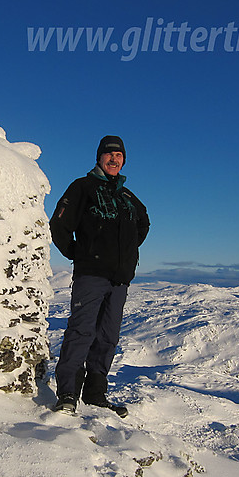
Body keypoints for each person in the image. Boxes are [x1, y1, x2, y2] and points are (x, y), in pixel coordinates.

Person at [49, 135, 150, 417]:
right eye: (109, 155)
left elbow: (144, 222)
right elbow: (59, 224)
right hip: (91, 274)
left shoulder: (128, 198)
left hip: (119, 279)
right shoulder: (82, 187)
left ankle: (95, 394)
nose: (114, 159)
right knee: (82, 331)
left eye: (119, 155)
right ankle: (67, 393)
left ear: (124, 160)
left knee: (107, 336)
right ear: (99, 158)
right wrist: (79, 252)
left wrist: (126, 253)